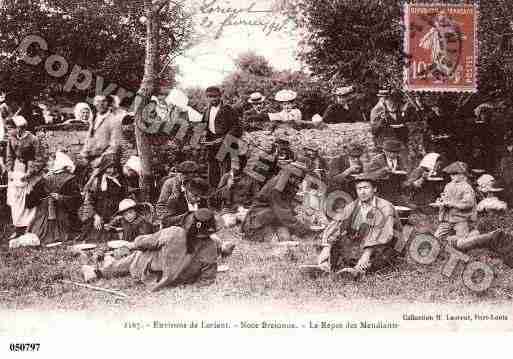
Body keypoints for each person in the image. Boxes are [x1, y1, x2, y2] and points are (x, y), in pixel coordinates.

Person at [300, 165, 402, 279]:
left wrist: (367, 254)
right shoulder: (354, 205)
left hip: (385, 246)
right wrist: (327, 246)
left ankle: (357, 271)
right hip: (362, 243)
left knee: (380, 258)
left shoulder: (385, 206)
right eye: (359, 189)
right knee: (337, 242)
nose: (362, 192)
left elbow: (384, 235)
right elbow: (337, 224)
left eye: (366, 188)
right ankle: (323, 267)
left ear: (374, 189)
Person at [81, 209, 220, 291]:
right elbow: (207, 279)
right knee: (147, 252)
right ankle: (107, 265)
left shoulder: (174, 232)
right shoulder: (212, 247)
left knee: (139, 254)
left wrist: (134, 243)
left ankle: (97, 272)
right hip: (179, 281)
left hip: (152, 277)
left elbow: (144, 242)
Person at [241, 161, 319, 242]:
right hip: (260, 220)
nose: (300, 181)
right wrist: (303, 227)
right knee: (280, 240)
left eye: (301, 178)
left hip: (274, 218)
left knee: (286, 237)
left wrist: (305, 213)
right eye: (299, 178)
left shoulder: (288, 184)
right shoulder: (277, 187)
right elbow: (282, 212)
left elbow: (290, 204)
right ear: (291, 176)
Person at [5, 115, 48, 239]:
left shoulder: (33, 139)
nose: (9, 131)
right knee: (15, 201)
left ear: (19, 128)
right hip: (16, 171)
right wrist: (9, 170)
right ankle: (18, 228)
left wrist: (31, 172)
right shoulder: (11, 138)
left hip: (29, 171)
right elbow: (9, 156)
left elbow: (40, 158)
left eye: (11, 128)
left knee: (27, 201)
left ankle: (28, 227)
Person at [26, 151, 82, 244]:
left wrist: (59, 198)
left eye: (51, 161)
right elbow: (77, 200)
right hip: (61, 216)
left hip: (49, 218)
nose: (48, 163)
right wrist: (62, 198)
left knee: (38, 234)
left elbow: (30, 202)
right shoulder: (71, 179)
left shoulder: (45, 179)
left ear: (58, 163)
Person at [201, 86, 242, 189]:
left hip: (226, 142)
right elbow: (203, 126)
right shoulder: (206, 110)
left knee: (226, 169)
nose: (212, 99)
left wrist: (225, 139)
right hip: (211, 143)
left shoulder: (228, 109)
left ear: (220, 96)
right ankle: (213, 193)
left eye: (215, 96)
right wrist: (203, 134)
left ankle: (225, 195)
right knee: (212, 168)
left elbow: (236, 126)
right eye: (209, 97)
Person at [77, 158, 126, 242]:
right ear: (104, 167)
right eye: (109, 167)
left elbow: (122, 197)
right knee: (96, 235)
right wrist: (96, 216)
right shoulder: (97, 181)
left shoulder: (118, 180)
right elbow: (89, 201)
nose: (111, 170)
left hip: (114, 215)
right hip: (99, 215)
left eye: (113, 168)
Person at [80, 95, 123, 184]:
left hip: (106, 160)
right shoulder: (94, 119)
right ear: (94, 104)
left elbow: (115, 145)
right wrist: (84, 154)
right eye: (98, 102)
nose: (101, 104)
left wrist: (100, 160)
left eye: (103, 101)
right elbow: (89, 139)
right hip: (91, 158)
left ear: (108, 103)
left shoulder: (114, 120)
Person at [433, 161, 477, 241]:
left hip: (460, 218)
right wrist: (441, 201)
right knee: (436, 237)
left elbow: (468, 203)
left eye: (454, 174)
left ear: (463, 174)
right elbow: (445, 197)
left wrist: (452, 204)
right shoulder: (448, 185)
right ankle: (448, 241)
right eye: (451, 174)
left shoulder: (466, 187)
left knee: (462, 239)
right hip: (447, 218)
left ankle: (466, 236)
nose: (452, 176)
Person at [156, 160, 199, 225]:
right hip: (175, 217)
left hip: (192, 215)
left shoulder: (195, 182)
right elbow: (161, 205)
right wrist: (166, 219)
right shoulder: (170, 183)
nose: (195, 176)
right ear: (183, 174)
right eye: (193, 174)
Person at [499, 131, 513, 206]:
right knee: (507, 187)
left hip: (510, 171)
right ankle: (509, 203)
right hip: (506, 171)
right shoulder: (505, 151)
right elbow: (502, 161)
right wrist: (502, 170)